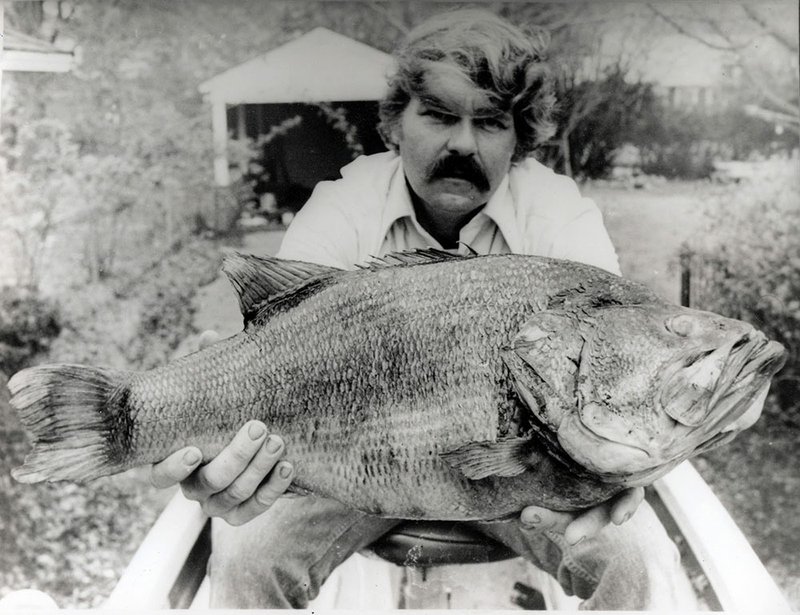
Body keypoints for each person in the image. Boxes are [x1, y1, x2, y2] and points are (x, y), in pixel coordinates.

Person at [151, 9, 699, 609]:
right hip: (351, 469)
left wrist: (631, 467)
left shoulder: (561, 218)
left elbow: (620, 382)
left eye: (489, 122)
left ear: (519, 140)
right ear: (395, 125)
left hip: (523, 480)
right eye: (438, 115)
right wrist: (227, 449)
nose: (462, 143)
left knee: (641, 560)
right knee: (244, 555)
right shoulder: (339, 210)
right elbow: (276, 358)